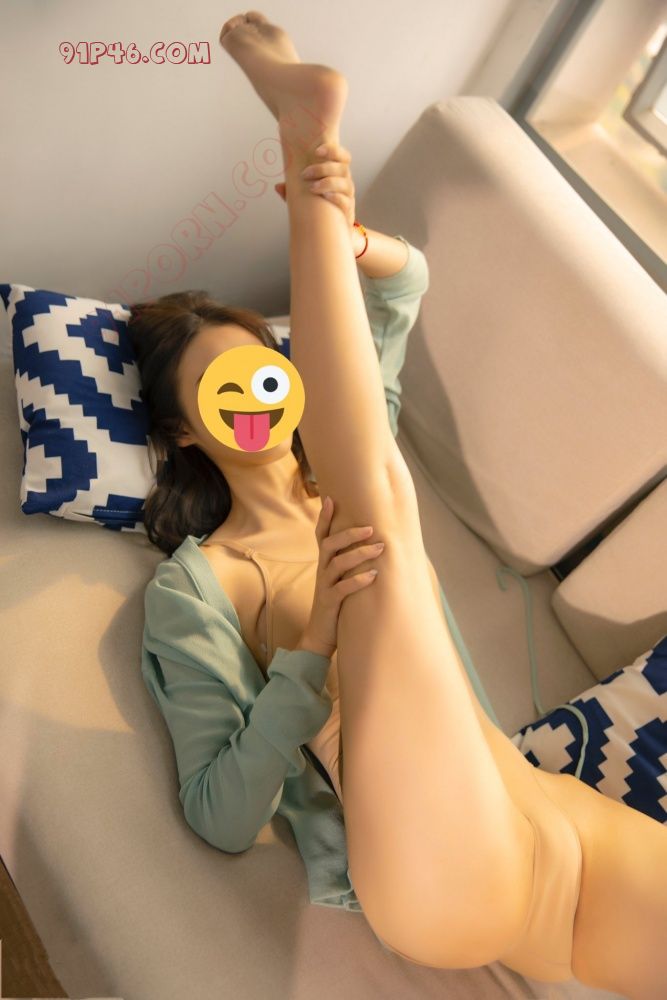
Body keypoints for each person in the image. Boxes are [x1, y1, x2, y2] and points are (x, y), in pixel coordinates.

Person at [137, 12, 667, 997]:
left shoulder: (350, 433)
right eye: (222, 393)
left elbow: (401, 283)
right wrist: (313, 643)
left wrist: (350, 230)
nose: (257, 402)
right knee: (376, 508)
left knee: (370, 482)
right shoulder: (201, 587)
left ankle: (308, 163)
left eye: (268, 376)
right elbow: (219, 811)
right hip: (448, 878)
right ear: (182, 433)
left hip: (565, 824)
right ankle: (299, 135)